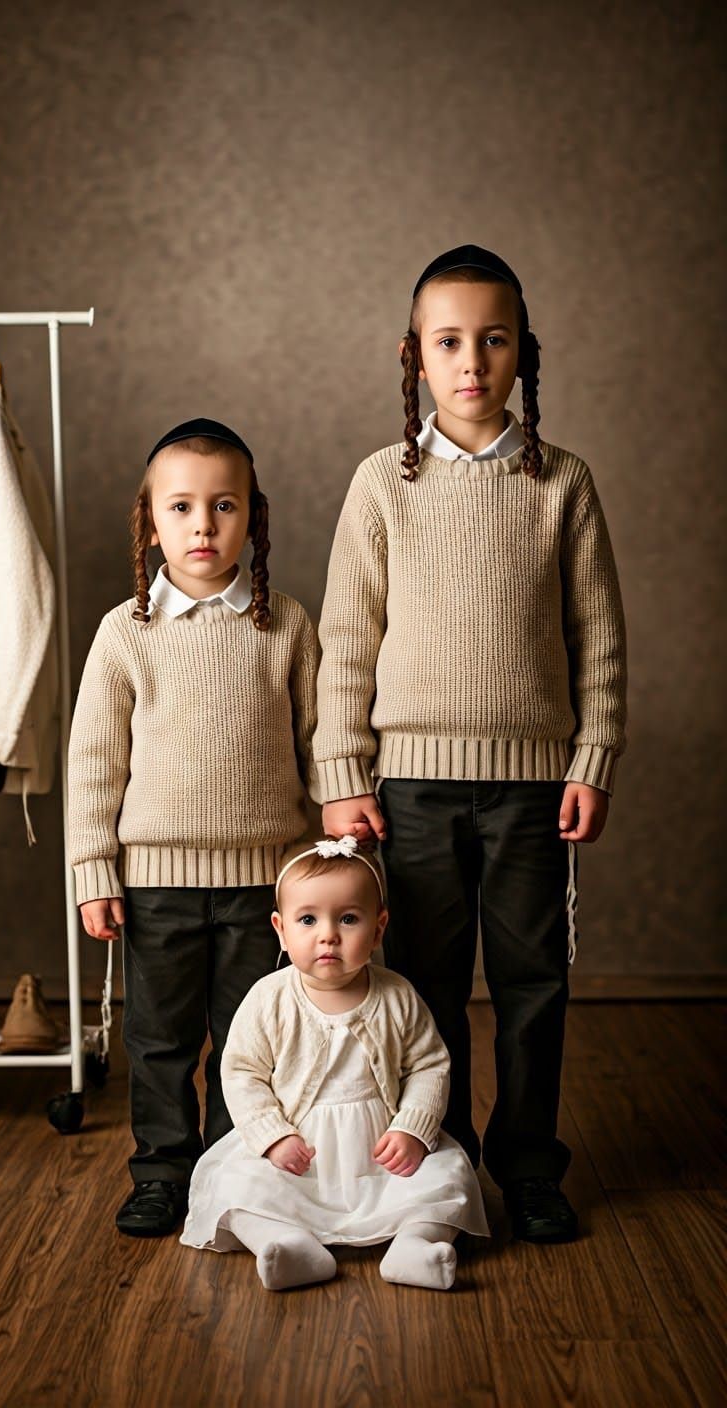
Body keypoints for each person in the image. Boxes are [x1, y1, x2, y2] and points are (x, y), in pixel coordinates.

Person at [312, 245, 627, 1243]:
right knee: (426, 986)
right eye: (450, 341)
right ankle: (439, 1163)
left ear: (524, 353)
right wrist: (340, 774)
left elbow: (600, 637)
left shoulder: (563, 484)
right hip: (409, 787)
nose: (473, 361)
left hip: (533, 786)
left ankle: (530, 1164)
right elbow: (346, 641)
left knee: (534, 981)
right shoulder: (380, 486)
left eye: (494, 340)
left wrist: (594, 756)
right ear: (416, 357)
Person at [68, 418, 318, 1238]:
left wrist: (330, 852)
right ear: (150, 521)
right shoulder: (124, 633)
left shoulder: (285, 625)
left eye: (223, 506)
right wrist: (93, 871)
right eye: (180, 508)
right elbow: (95, 765)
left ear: (255, 518)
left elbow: (320, 743)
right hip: (156, 883)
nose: (203, 526)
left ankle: (233, 1171)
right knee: (161, 1041)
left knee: (252, 1041)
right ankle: (162, 1172)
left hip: (265, 883)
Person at [180, 837, 488, 1290]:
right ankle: (284, 1243)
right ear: (281, 930)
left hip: (381, 1152)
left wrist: (413, 1128)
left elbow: (429, 1065)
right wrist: (271, 1136)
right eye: (308, 919)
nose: (328, 934)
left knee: (450, 1176)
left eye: (348, 918)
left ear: (379, 927)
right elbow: (243, 1072)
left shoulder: (397, 995)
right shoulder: (269, 999)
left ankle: (415, 1245)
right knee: (236, 1186)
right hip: (298, 1154)